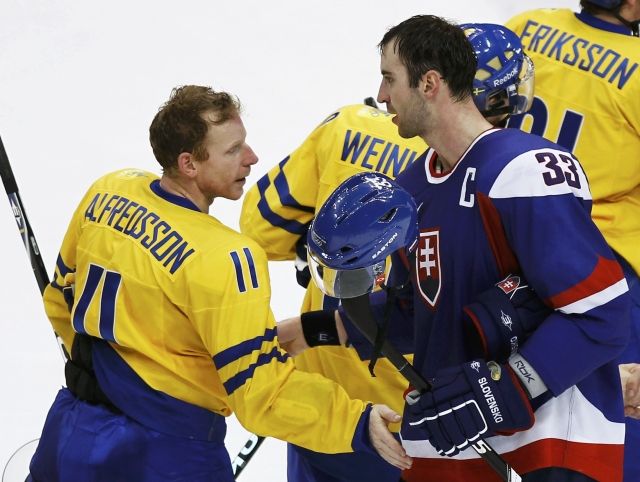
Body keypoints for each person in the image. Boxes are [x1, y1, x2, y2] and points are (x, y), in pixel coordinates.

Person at [299, 14, 630, 482]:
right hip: (448, 447)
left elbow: (601, 315)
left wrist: (504, 389)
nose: (382, 94)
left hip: (543, 448)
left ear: (430, 82)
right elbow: (429, 314)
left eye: (390, 78)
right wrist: (316, 328)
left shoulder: (525, 169)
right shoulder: (414, 185)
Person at [26, 85, 412, 482]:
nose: (252, 158)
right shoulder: (229, 258)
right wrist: (355, 422)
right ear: (189, 164)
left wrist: (108, 380)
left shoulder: (109, 190)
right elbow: (263, 397)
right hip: (169, 457)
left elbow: (60, 296)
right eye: (233, 151)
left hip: (72, 431)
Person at [240, 23, 534, 482]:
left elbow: (259, 226)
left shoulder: (348, 126)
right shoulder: (511, 180)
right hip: (416, 424)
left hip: (318, 400)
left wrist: (321, 254)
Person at [504, 3, 640, 480]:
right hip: (599, 263)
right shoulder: (637, 68)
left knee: (515, 405)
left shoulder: (527, 26)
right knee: (617, 417)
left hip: (505, 244)